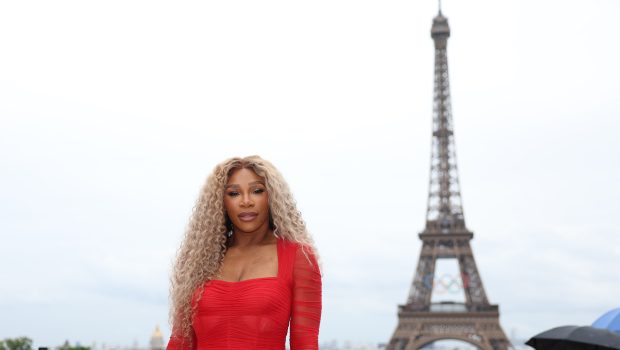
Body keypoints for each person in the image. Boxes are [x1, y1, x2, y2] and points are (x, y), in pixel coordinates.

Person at [166, 155, 322, 350]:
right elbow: (180, 343)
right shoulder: (197, 260)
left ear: (271, 196)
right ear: (220, 202)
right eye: (234, 193)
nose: (246, 201)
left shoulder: (298, 257)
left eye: (257, 191)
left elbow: (305, 343)